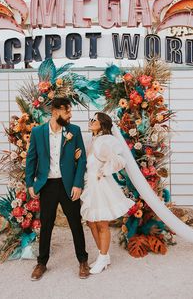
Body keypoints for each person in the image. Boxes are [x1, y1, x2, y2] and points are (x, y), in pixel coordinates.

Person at [25, 97, 89, 280]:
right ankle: (41, 263)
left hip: (68, 184)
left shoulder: (74, 131)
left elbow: (82, 159)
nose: (70, 114)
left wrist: (78, 184)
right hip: (47, 185)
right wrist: (30, 183)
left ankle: (83, 261)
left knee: (75, 223)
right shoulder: (37, 132)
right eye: (67, 111)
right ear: (55, 111)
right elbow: (31, 159)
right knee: (46, 225)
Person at [80, 112, 134, 274]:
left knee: (101, 223)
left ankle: (103, 258)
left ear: (102, 124)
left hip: (99, 186)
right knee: (91, 222)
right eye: (90, 119)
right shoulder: (94, 140)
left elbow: (119, 160)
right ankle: (104, 255)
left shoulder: (104, 142)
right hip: (89, 185)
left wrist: (103, 171)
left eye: (94, 120)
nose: (91, 121)